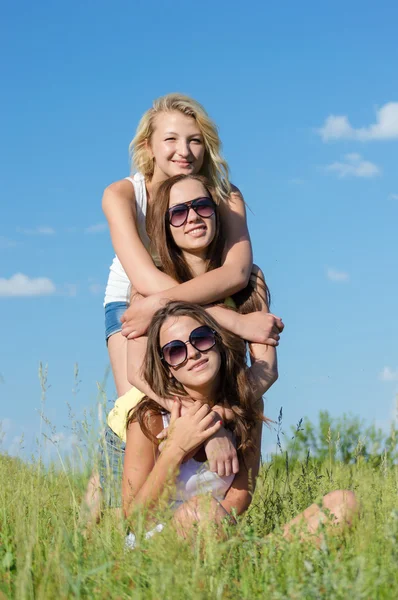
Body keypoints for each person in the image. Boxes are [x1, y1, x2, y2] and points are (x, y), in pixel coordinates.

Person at [93, 174, 280, 517]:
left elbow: (266, 373)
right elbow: (138, 371)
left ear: (217, 213)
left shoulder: (248, 282)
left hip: (226, 409)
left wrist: (214, 420)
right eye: (178, 213)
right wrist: (234, 322)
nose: (192, 217)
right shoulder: (147, 283)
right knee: (106, 539)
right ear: (164, 226)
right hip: (152, 420)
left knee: (209, 519)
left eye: (202, 206)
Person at [123, 302, 358, 546]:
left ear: (217, 342)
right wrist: (176, 450)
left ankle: (251, 560)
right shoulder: (150, 417)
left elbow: (240, 496)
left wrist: (218, 534)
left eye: (200, 338)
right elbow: (135, 519)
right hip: (156, 547)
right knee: (198, 511)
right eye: (175, 351)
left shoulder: (248, 408)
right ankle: (253, 561)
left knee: (344, 503)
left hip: (221, 537)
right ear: (167, 369)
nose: (192, 353)